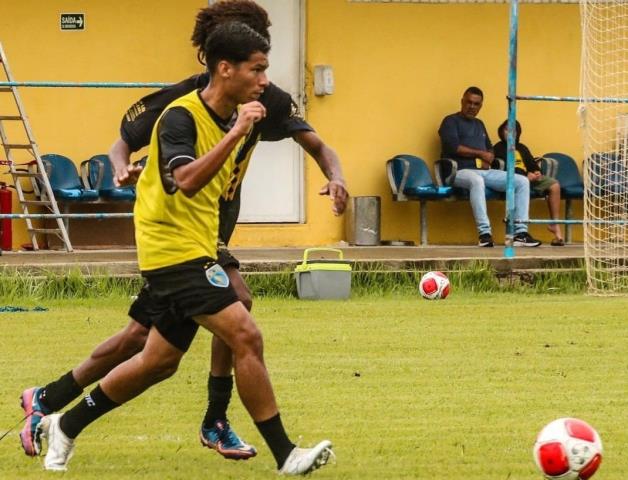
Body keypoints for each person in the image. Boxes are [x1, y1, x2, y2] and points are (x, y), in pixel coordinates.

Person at [19, 0, 347, 463]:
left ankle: (56, 412)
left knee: (153, 356)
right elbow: (160, 164)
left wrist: (336, 177)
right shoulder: (182, 108)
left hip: (202, 233)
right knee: (243, 325)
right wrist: (121, 170)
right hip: (176, 241)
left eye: (266, 64)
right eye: (257, 65)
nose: (265, 77)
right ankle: (265, 444)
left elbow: (317, 143)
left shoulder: (262, 99)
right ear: (222, 64)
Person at [438, 86, 541, 248]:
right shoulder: (450, 121)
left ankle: (520, 233)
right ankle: (484, 234)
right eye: (469, 102)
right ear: (462, 101)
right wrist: (480, 154)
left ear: (481, 106)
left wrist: (490, 156)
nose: (472, 107)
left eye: (476, 104)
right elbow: (453, 147)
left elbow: (489, 147)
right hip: (457, 172)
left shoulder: (479, 124)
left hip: (483, 171)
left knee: (521, 181)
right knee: (477, 180)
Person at [493, 119, 564, 246]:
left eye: (514, 131)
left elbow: (531, 163)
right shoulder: (498, 148)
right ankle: (518, 234)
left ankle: (555, 224)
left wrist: (536, 171)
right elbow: (503, 169)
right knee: (522, 182)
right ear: (501, 131)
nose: (510, 133)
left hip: (530, 178)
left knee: (554, 185)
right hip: (514, 179)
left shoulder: (522, 147)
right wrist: (525, 175)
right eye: (506, 130)